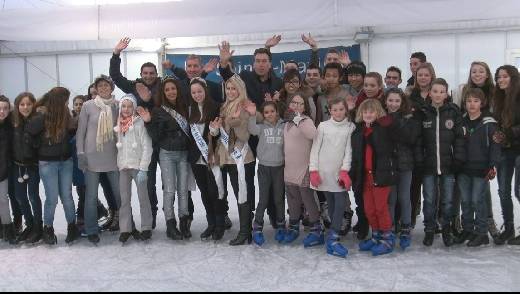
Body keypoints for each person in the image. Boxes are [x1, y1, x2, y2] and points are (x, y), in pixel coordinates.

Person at [110, 37, 161, 226]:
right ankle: (151, 219)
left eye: (151, 73)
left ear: (156, 73)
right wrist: (116, 54)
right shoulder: (133, 86)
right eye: (145, 73)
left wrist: (149, 100)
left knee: (165, 185)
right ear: (140, 74)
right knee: (148, 184)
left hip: (159, 140)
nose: (148, 76)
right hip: (138, 145)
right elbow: (115, 76)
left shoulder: (162, 86)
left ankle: (165, 219)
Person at [415, 78, 466, 247]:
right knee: (429, 199)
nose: (438, 94)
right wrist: (420, 159)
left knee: (448, 200)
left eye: (441, 91)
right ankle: (429, 229)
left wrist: (457, 158)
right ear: (429, 93)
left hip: (448, 165)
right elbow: (418, 140)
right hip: (428, 166)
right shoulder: (423, 112)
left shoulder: (453, 111)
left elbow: (459, 138)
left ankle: (446, 229)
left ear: (446, 94)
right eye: (435, 91)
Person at [26, 87, 80, 245]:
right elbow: (28, 134)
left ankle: (72, 227)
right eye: (65, 100)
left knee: (67, 197)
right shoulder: (41, 114)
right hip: (47, 163)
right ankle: (47, 229)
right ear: (58, 100)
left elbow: (71, 130)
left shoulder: (65, 114)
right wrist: (39, 146)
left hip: (65, 161)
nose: (67, 103)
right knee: (51, 198)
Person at [140, 78, 192, 240]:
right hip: (167, 153)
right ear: (163, 92)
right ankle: (170, 224)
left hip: (184, 153)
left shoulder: (185, 108)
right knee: (169, 190)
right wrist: (148, 122)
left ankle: (184, 222)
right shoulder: (158, 111)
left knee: (183, 190)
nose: (171, 92)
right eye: (167, 89)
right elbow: (155, 136)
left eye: (173, 89)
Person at [210, 75, 256, 246]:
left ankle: (245, 232)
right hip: (226, 158)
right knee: (231, 194)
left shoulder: (244, 106)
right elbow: (219, 132)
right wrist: (214, 130)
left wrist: (233, 121)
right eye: (228, 88)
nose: (230, 92)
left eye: (234, 88)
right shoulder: (224, 106)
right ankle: (244, 230)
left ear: (240, 89)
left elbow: (244, 135)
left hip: (241, 158)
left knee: (242, 195)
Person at [76, 75, 121, 244]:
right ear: (96, 88)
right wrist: (80, 153)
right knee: (91, 196)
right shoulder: (88, 106)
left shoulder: (117, 105)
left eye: (106, 85)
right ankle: (91, 229)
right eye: (100, 86)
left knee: (119, 194)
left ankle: (127, 225)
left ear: (111, 87)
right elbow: (81, 132)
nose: (103, 88)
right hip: (91, 157)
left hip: (112, 157)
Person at [455, 88, 501, 247]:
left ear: (482, 103)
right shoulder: (461, 121)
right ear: (464, 103)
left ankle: (482, 233)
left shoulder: (489, 123)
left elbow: (496, 145)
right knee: (466, 201)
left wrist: (492, 165)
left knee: (477, 200)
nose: (472, 104)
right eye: (469, 101)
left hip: (481, 169)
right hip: (463, 169)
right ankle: (468, 229)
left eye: (476, 101)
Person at [309, 97, 355, 257]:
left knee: (341, 204)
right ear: (330, 110)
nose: (338, 113)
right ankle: (330, 236)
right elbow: (315, 149)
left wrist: (344, 170)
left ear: (346, 110)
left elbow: (349, 152)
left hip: (339, 174)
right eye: (334, 110)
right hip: (323, 173)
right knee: (331, 205)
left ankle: (333, 238)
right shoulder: (322, 126)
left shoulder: (350, 127)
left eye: (341, 109)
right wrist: (313, 170)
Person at [352, 99, 398, 256]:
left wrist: (376, 128)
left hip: (381, 176)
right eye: (365, 112)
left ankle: (387, 238)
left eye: (371, 111)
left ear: (378, 113)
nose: (368, 114)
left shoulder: (383, 130)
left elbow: (383, 147)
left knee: (380, 208)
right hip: (365, 177)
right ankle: (376, 235)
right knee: (369, 209)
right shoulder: (359, 131)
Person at [185, 78, 227, 241]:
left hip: (213, 156)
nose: (197, 95)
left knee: (215, 191)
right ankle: (211, 223)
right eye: (194, 92)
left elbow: (221, 134)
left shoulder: (217, 107)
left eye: (199, 91)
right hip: (197, 158)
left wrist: (214, 132)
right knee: (205, 192)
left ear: (205, 90)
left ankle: (220, 223)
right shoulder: (190, 111)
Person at [245, 101, 286, 246]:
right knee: (263, 198)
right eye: (266, 112)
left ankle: (281, 225)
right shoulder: (261, 127)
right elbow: (251, 129)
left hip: (279, 168)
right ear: (263, 114)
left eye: (272, 111)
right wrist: (251, 115)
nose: (269, 114)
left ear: (277, 112)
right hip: (264, 167)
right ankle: (257, 227)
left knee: (278, 198)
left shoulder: (284, 126)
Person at [282, 93, 321, 245]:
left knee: (308, 199)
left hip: (303, 168)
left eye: (300, 104)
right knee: (292, 200)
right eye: (294, 103)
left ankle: (316, 230)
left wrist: (300, 121)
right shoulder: (287, 123)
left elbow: (313, 134)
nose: (296, 106)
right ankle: (293, 227)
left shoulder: (306, 120)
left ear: (305, 107)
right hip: (289, 168)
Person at [384, 88, 420, 249]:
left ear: (402, 102)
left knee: (404, 197)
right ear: (386, 101)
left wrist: (396, 121)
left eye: (397, 101)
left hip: (405, 164)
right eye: (390, 100)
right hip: (389, 165)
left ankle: (405, 227)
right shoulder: (381, 118)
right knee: (391, 198)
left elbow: (410, 138)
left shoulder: (409, 119)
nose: (393, 104)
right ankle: (390, 227)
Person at [115, 94, 153, 244]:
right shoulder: (118, 124)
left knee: (143, 198)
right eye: (123, 106)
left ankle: (146, 227)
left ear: (134, 108)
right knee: (124, 200)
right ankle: (125, 229)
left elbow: (147, 146)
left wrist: (143, 168)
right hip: (123, 167)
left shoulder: (140, 123)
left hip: (138, 167)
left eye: (129, 106)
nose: (126, 109)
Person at [492, 65, 520, 245]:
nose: (501, 80)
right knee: (503, 191)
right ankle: (508, 228)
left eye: (504, 76)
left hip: (519, 150)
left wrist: (510, 133)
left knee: (519, 190)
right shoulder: (498, 98)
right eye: (498, 77)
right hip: (504, 151)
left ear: (513, 78)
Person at [11, 92, 43, 244]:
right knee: (20, 197)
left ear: (33, 105)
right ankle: (29, 225)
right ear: (17, 106)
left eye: (28, 104)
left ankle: (38, 227)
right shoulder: (13, 122)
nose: (25, 107)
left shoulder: (37, 121)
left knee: (33, 196)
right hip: (17, 166)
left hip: (32, 166)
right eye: (22, 104)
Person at [0, 95, 16, 245]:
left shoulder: (10, 127)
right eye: (0, 108)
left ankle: (8, 228)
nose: (2, 111)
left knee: (3, 201)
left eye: (5, 108)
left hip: (3, 171)